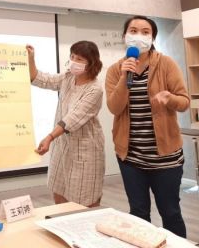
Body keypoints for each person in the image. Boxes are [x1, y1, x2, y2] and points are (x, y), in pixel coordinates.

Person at [105, 15, 189, 238]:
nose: (138, 36)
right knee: (138, 213)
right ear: (124, 36)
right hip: (131, 158)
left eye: (145, 32)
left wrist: (170, 98)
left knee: (170, 212)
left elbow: (184, 102)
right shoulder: (115, 70)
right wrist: (124, 76)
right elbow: (114, 107)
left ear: (152, 38)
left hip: (166, 158)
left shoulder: (166, 64)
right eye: (133, 31)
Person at [27, 41, 105, 207]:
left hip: (85, 150)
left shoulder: (95, 88)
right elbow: (40, 79)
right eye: (72, 57)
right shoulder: (68, 78)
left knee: (84, 199)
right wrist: (31, 58)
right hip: (62, 147)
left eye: (80, 59)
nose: (74, 62)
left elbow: (72, 118)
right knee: (59, 190)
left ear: (92, 63)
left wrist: (49, 137)